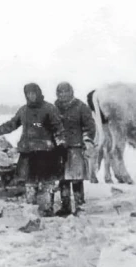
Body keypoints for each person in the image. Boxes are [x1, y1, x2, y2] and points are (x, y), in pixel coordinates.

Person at [0, 83, 66, 217]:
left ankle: (46, 208)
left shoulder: (49, 109)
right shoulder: (23, 110)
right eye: (28, 93)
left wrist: (61, 145)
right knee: (29, 182)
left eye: (33, 93)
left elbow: (58, 128)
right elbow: (13, 123)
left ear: (38, 93)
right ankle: (31, 208)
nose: (31, 96)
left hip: (46, 153)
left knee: (47, 182)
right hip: (27, 152)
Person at [54, 82, 96, 216]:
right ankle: (65, 206)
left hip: (76, 149)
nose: (63, 95)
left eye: (66, 92)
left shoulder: (81, 107)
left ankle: (79, 205)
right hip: (60, 149)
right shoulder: (54, 108)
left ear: (71, 92)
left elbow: (89, 126)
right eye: (60, 92)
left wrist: (87, 139)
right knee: (63, 179)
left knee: (77, 178)